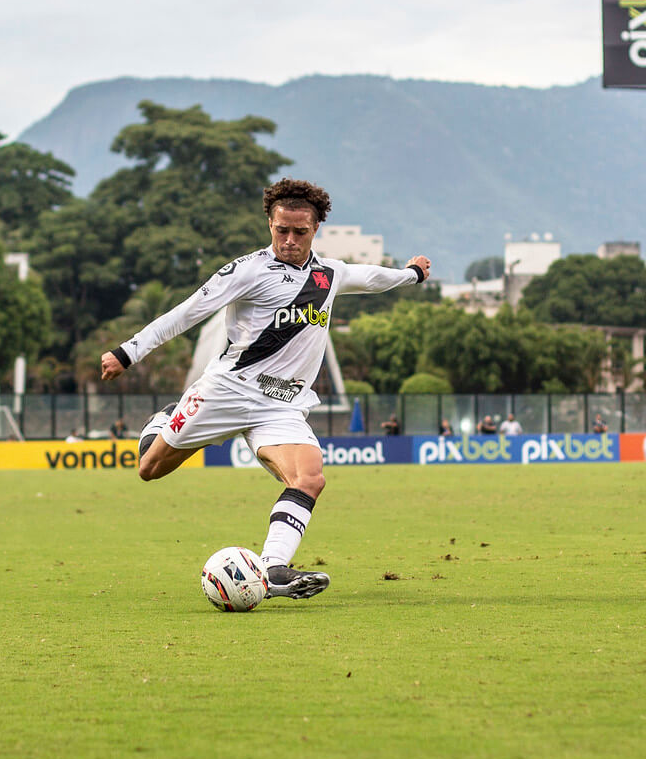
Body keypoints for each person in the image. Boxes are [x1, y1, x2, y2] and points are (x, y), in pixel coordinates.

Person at [100, 178, 432, 601]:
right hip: (227, 391)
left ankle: (273, 568)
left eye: (300, 232)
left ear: (316, 229)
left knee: (310, 478)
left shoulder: (330, 273)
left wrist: (412, 274)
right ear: (270, 224)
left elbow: (373, 277)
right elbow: (187, 312)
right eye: (282, 231)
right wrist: (128, 352)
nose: (290, 240)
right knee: (150, 468)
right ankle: (164, 420)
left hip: (281, 405)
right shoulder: (247, 270)